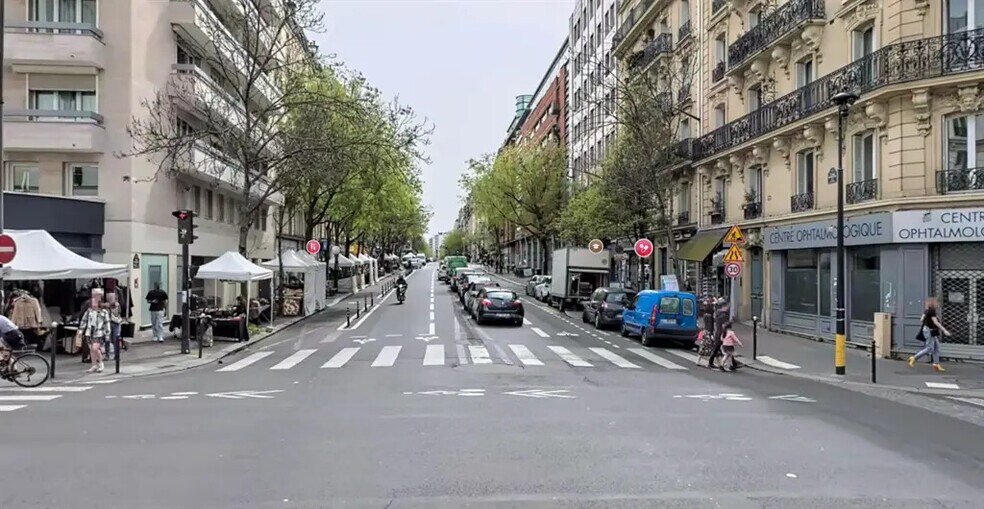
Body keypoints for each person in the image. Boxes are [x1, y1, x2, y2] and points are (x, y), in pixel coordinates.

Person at [908, 296, 951, 372]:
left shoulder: (927, 310)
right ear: (933, 304)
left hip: (929, 330)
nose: (938, 304)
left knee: (937, 347)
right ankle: (914, 358)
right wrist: (944, 330)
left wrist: (927, 320)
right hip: (929, 331)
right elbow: (935, 322)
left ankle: (936, 363)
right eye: (937, 302)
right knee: (930, 348)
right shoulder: (932, 311)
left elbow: (921, 319)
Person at [79, 300, 111, 373]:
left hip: (99, 332)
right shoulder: (89, 311)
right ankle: (94, 365)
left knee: (95, 348)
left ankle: (100, 363)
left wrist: (107, 333)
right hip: (89, 332)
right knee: (92, 349)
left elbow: (107, 323)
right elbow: (84, 320)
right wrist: (81, 330)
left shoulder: (103, 312)